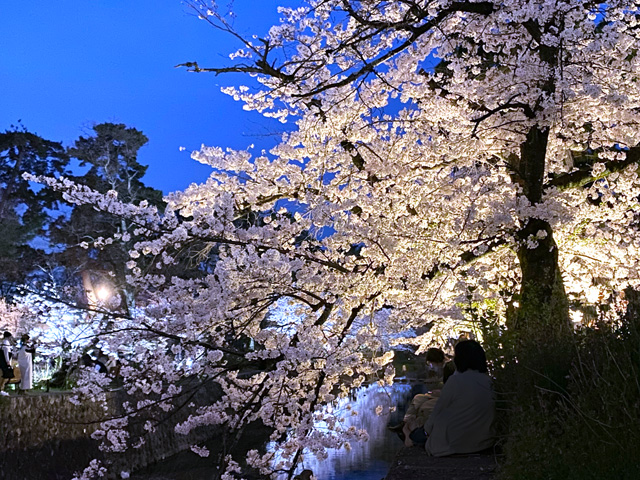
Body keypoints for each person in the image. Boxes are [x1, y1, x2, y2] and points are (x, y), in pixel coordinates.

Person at [421, 339, 495, 456]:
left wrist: (426, 430)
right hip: (483, 442)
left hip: (454, 444)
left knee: (413, 432)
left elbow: (438, 410)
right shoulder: (488, 381)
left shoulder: (455, 381)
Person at [0, 331, 14, 395]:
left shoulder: (5, 342)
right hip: (4, 362)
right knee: (5, 375)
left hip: (4, 361)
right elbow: (6, 353)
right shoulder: (5, 343)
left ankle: (2, 388)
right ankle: (1, 388)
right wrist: (8, 361)